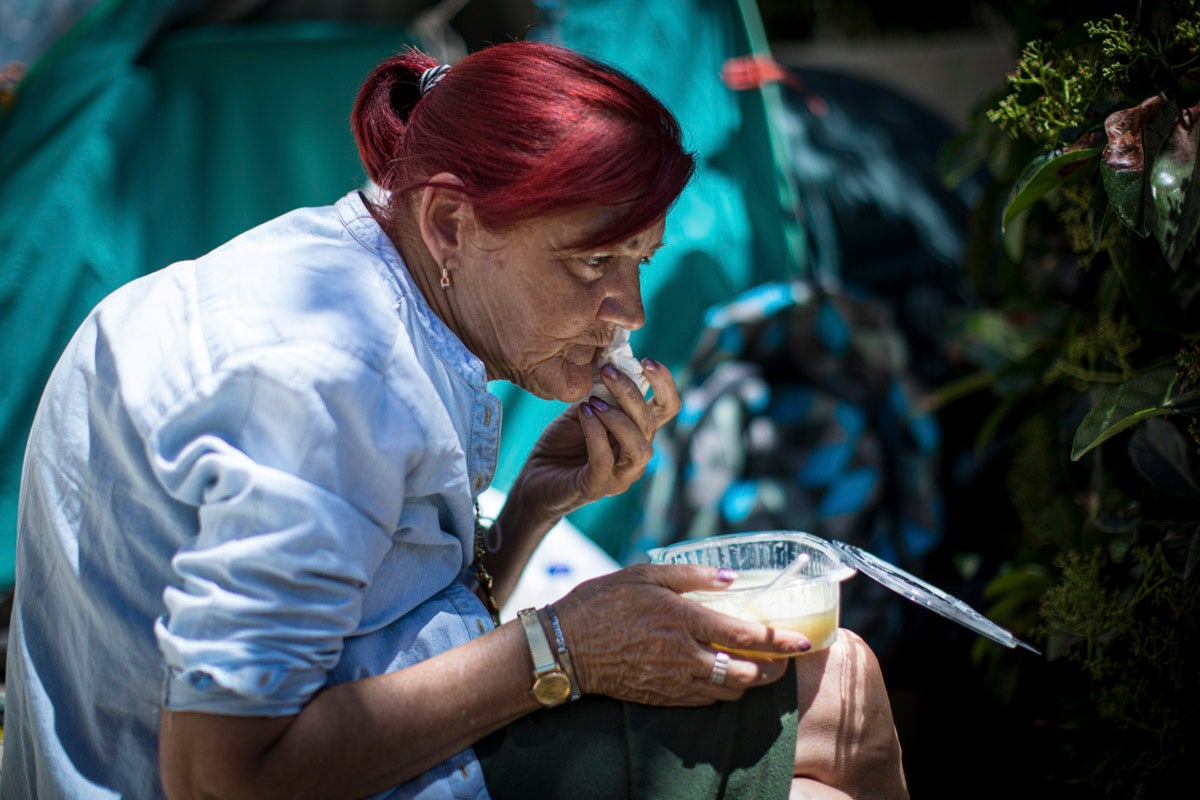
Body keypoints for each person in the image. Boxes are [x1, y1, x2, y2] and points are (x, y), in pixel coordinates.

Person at [1, 41, 908, 799]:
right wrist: (565, 649)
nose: (628, 310)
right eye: (593, 263)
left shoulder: (369, 278)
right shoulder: (324, 384)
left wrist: (531, 511)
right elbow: (221, 774)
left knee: (845, 686)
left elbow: (375, 630)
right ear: (448, 222)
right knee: (827, 750)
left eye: (640, 259)